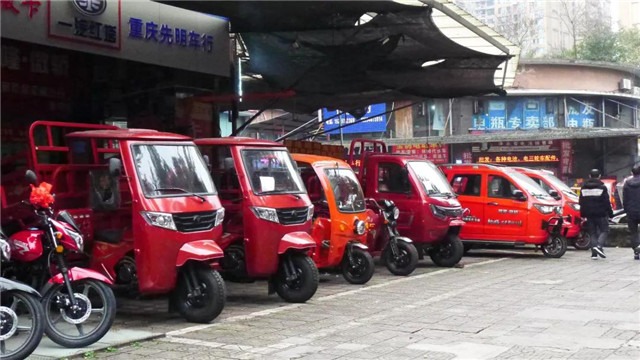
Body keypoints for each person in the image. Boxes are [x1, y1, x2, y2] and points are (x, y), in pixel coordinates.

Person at [579, 169, 613, 260]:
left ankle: (594, 254)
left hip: (589, 214)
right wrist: (610, 213)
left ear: (589, 176)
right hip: (601, 213)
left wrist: (582, 214)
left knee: (592, 233)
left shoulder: (583, 187)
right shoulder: (602, 187)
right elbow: (606, 202)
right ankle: (599, 246)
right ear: (599, 176)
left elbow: (581, 202)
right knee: (604, 230)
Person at [622, 165, 640, 260]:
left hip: (631, 211)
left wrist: (626, 210)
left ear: (632, 173)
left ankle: (636, 251)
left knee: (633, 232)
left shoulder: (627, 183)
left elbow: (624, 199)